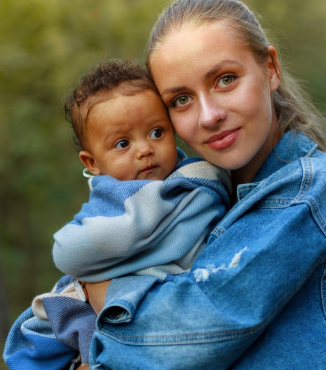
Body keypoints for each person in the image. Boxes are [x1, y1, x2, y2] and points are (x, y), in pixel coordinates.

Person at [4, 0, 326, 369]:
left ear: (270, 69)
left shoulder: (308, 190)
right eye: (181, 99)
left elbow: (179, 342)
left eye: (226, 79)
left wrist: (100, 291)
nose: (209, 116)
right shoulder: (188, 195)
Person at [4, 58, 231, 370]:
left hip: (165, 315)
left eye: (156, 132)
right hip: (104, 320)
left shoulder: (195, 181)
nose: (144, 149)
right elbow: (69, 254)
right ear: (92, 163)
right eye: (123, 143)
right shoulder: (108, 201)